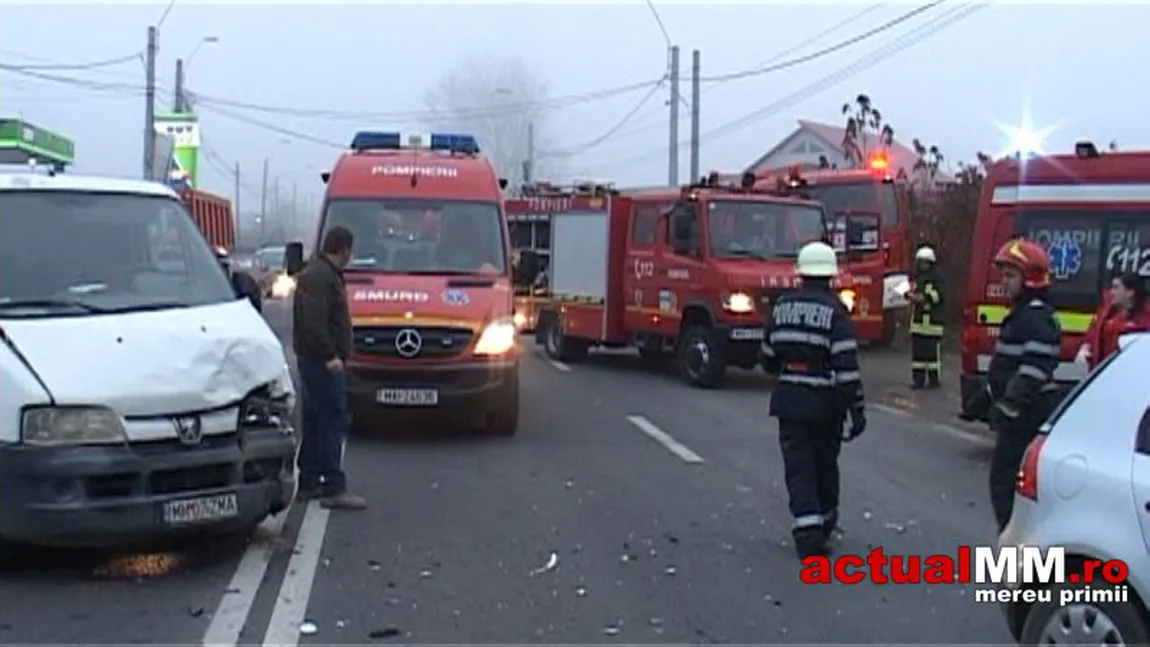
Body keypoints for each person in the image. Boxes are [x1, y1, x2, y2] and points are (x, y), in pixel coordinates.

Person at [759, 241, 866, 559]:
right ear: (831, 276)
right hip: (825, 403)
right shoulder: (836, 312)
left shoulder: (781, 308)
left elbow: (767, 357)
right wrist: (856, 410)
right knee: (824, 464)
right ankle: (824, 521)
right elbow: (846, 368)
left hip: (790, 399)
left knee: (799, 467)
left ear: (800, 273)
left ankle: (807, 529)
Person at [959, 238, 1061, 532]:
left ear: (1030, 278)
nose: (1004, 282)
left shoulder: (1036, 316)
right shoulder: (1022, 314)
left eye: (1010, 275)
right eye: (1003, 275)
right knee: (1007, 486)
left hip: (1029, 415)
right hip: (1022, 415)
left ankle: (1018, 556)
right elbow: (1007, 368)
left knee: (1009, 486)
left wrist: (1007, 405)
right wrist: (987, 395)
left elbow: (1033, 370)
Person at [292, 225, 367, 510]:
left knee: (313, 421)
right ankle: (334, 486)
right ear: (344, 249)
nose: (351, 256)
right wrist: (329, 355)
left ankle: (310, 481)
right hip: (322, 362)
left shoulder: (319, 273)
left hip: (315, 360)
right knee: (331, 420)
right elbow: (314, 322)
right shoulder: (320, 276)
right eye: (351, 250)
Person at [1077, 272, 1150, 370]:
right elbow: (1092, 334)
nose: (1111, 292)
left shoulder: (1144, 318)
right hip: (1104, 372)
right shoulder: (1105, 315)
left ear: (1130, 292)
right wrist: (1085, 347)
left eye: (1116, 287)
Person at [907, 245, 944, 389]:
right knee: (918, 355)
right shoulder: (917, 277)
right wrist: (909, 295)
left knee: (932, 354)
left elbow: (940, 294)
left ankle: (934, 380)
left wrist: (925, 298)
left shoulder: (938, 276)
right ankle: (918, 380)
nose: (922, 265)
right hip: (918, 323)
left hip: (933, 323)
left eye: (924, 262)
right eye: (920, 262)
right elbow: (910, 289)